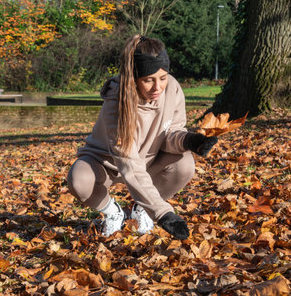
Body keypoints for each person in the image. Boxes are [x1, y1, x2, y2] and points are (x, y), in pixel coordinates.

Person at [67, 35, 218, 240]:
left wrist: (189, 141)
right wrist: (163, 213)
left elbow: (171, 131)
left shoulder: (172, 88)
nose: (158, 87)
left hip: (150, 160)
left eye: (162, 78)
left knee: (185, 164)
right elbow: (129, 164)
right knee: (79, 179)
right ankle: (114, 213)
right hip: (108, 163)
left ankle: (141, 209)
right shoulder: (115, 105)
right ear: (133, 78)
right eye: (148, 80)